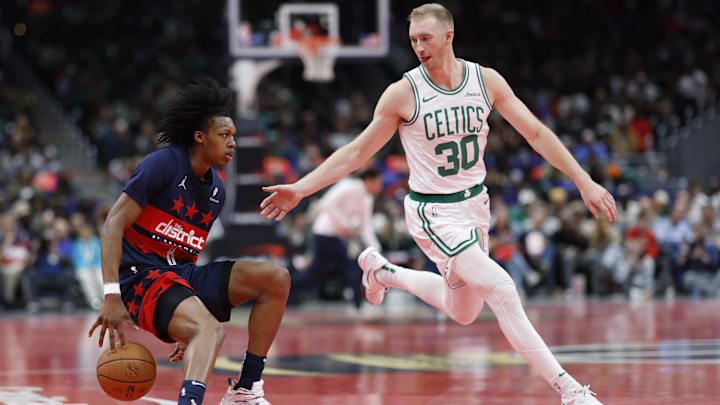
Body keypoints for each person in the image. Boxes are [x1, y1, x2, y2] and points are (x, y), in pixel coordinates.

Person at [259, 4, 615, 404]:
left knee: (462, 310)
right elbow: (357, 151)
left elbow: (534, 132)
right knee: (501, 287)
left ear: (448, 36)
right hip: (433, 212)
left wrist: (583, 180)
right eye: (412, 40)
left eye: (425, 38)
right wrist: (303, 188)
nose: (418, 47)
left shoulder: (486, 81)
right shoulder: (403, 93)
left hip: (475, 207)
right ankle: (570, 392)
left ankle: (383, 272)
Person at [88, 78, 290, 405]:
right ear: (200, 137)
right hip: (140, 279)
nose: (232, 143)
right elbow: (112, 224)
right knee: (211, 330)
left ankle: (246, 389)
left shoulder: (217, 192)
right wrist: (112, 294)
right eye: (224, 135)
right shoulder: (164, 163)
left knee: (276, 279)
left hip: (178, 277)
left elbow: (186, 256)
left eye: (234, 137)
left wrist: (190, 313)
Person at [292, 168, 382, 309]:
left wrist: (376, 249)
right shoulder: (348, 186)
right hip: (324, 234)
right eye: (378, 183)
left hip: (337, 237)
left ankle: (285, 289)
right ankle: (361, 307)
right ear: (369, 180)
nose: (380, 187)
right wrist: (345, 224)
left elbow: (366, 227)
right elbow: (326, 203)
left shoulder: (368, 199)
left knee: (315, 272)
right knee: (350, 265)